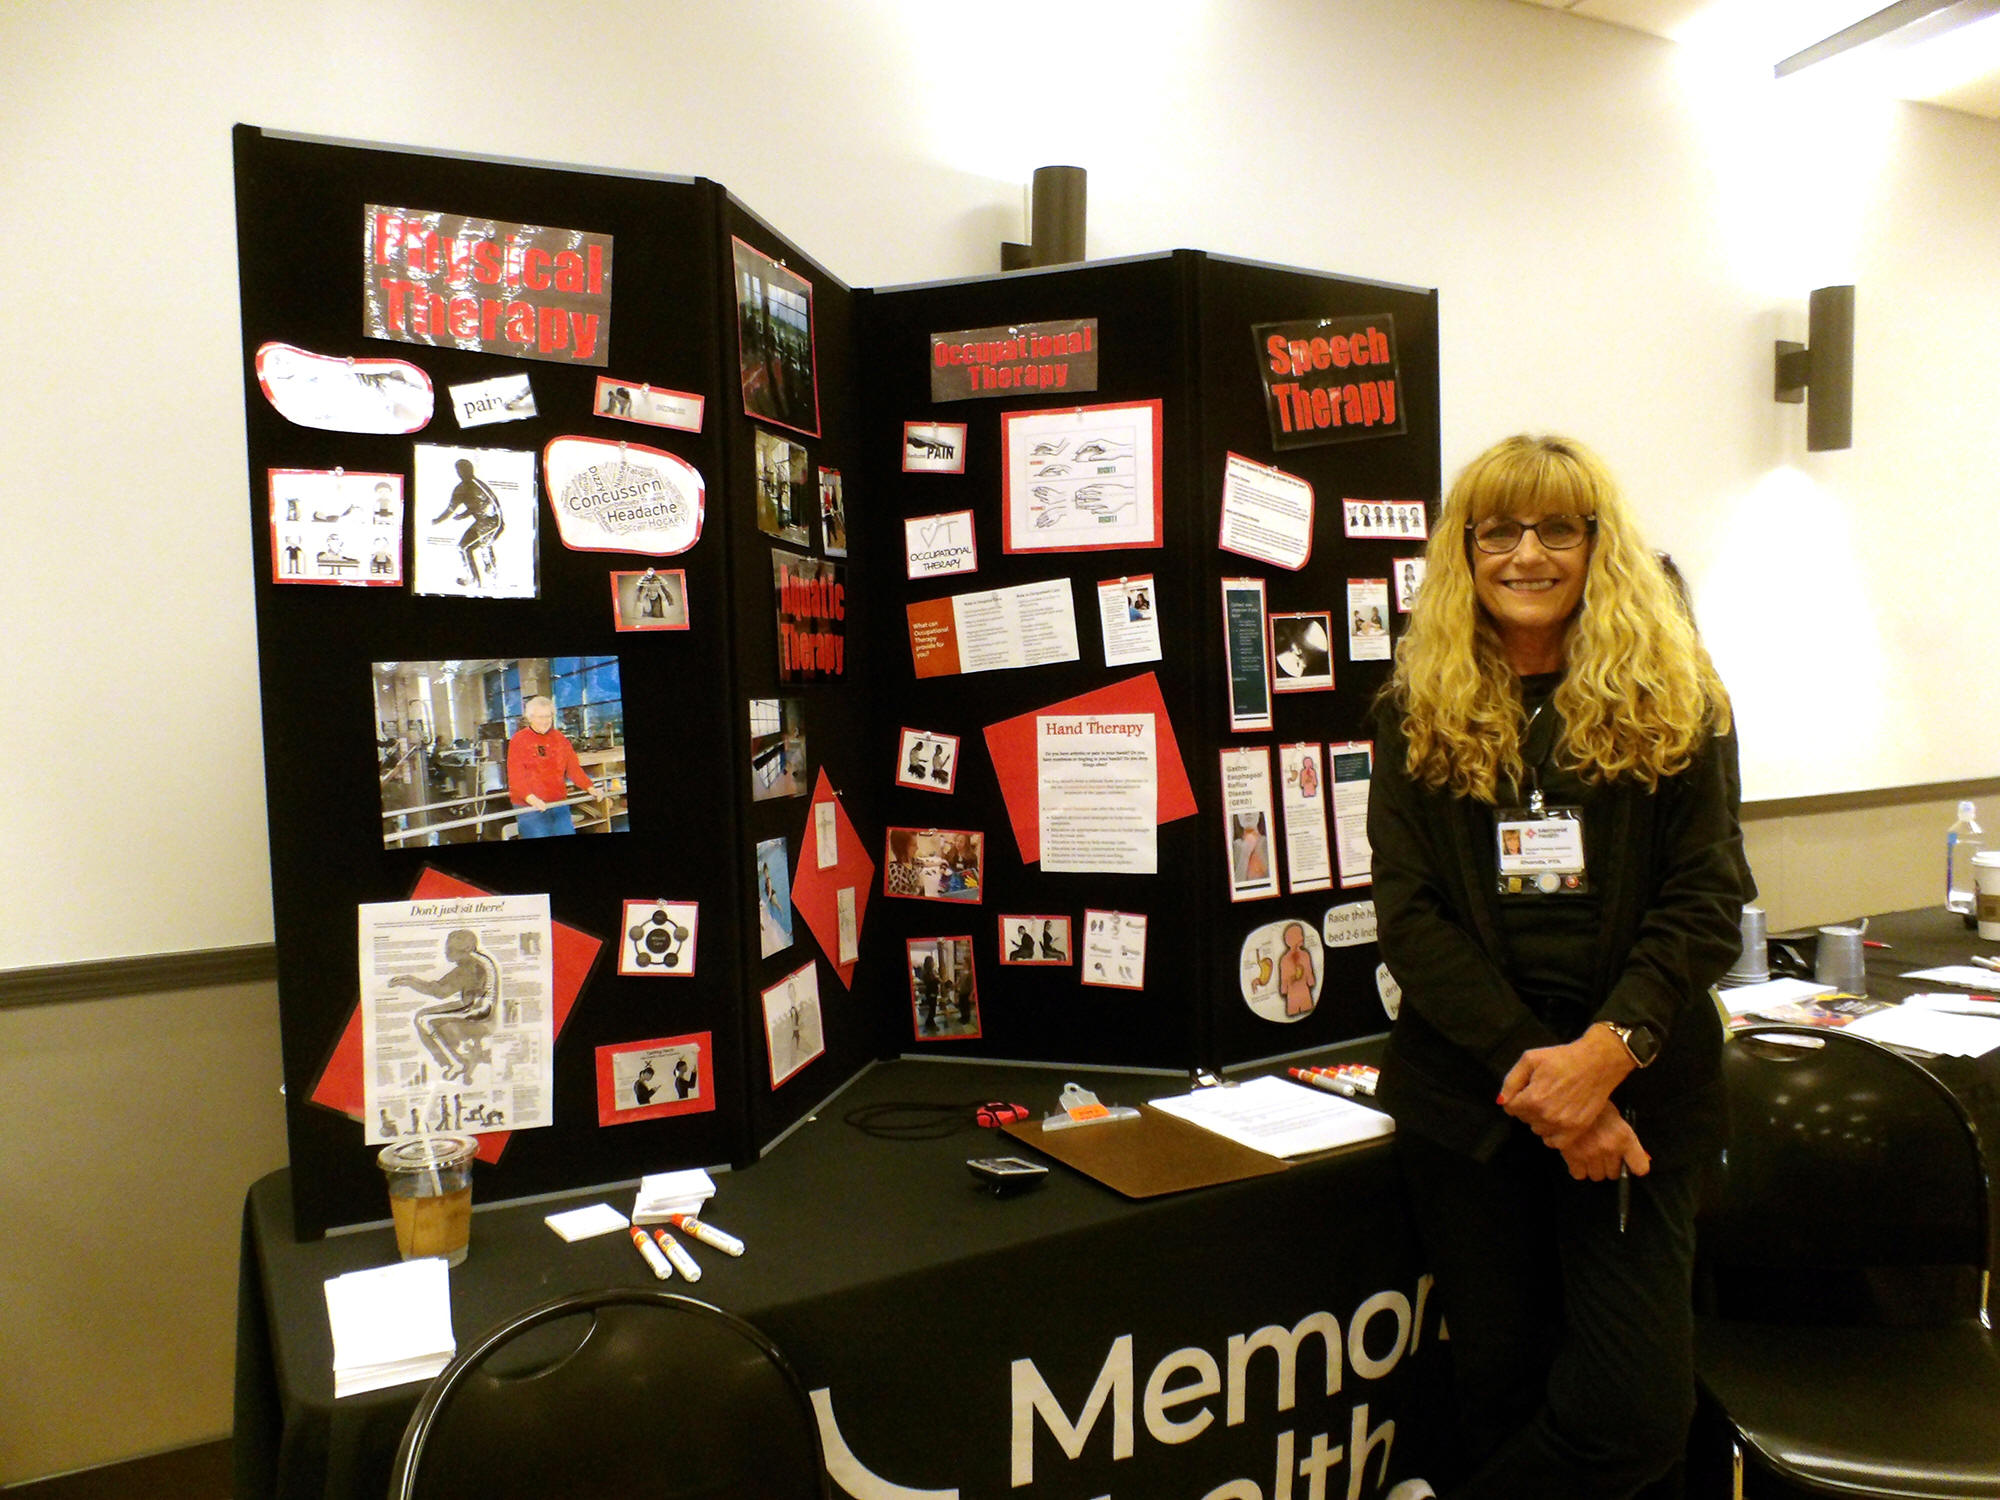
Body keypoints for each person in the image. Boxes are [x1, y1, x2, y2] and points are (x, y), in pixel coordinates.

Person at [1367, 434, 1753, 1500]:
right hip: (1476, 1108)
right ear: (1465, 551)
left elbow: (1706, 899)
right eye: (1498, 530)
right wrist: (1551, 1085)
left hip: (1639, 1102)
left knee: (1633, 1417)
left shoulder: (1679, 698)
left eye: (1554, 529)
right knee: (1503, 1392)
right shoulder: (1414, 709)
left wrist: (1606, 1055)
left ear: (1597, 545)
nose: (1526, 554)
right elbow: (1409, 918)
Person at [506, 695, 594, 838]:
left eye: (548, 716)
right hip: (529, 805)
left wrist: (590, 787)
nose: (545, 721)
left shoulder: (560, 739)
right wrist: (532, 799)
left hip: (557, 801)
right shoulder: (519, 740)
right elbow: (516, 777)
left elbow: (573, 769)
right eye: (540, 717)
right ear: (530, 718)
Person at [434, 457, 504, 588]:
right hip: (485, 522)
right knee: (465, 547)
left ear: (470, 470)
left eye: (464, 469)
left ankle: (491, 580)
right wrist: (464, 514)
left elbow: (488, 507)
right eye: (459, 470)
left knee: (480, 547)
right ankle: (476, 578)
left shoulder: (474, 486)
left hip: (492, 522)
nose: (461, 472)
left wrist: (437, 520)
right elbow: (472, 506)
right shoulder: (465, 487)